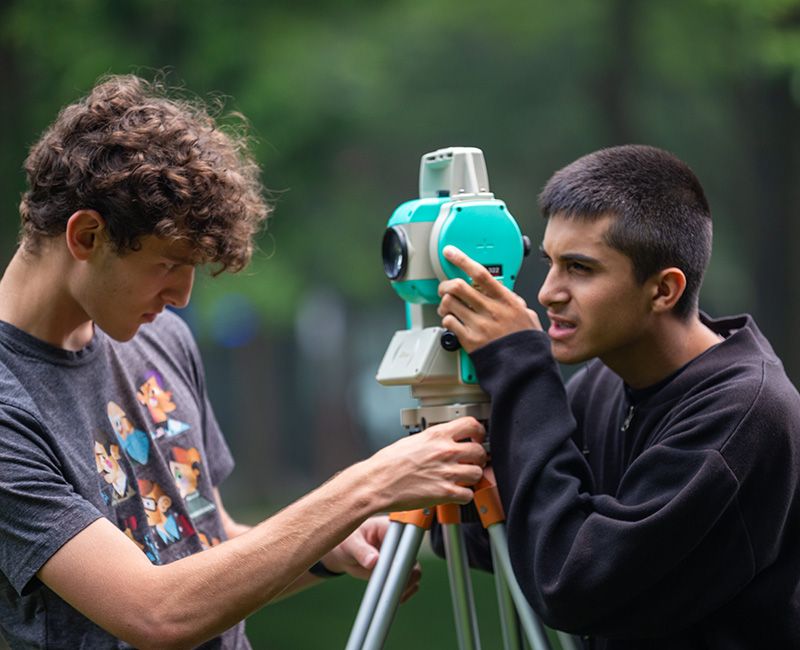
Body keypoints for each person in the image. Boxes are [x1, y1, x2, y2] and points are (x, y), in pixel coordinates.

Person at [0, 74, 488, 649]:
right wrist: (368, 485)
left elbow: (201, 542)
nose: (181, 297)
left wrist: (325, 550)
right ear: (85, 237)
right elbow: (155, 612)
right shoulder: (10, 405)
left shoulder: (158, 340)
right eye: (168, 264)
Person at [435, 145, 800, 649]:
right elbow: (500, 537)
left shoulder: (743, 417)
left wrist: (520, 365)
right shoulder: (606, 383)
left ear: (664, 290)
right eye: (550, 262)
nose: (547, 293)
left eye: (580, 269)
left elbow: (570, 583)